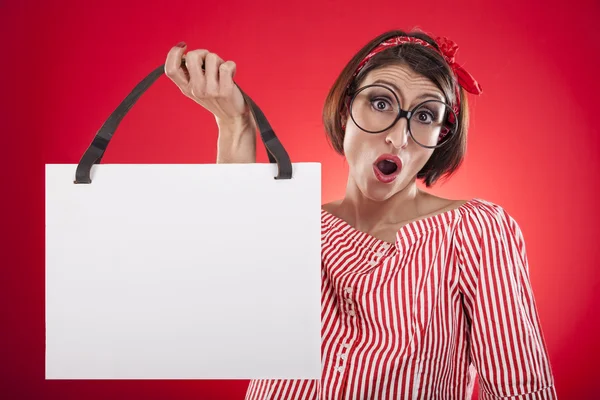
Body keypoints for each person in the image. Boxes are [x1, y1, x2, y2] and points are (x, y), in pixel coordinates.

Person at [165, 29, 557, 400]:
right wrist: (234, 122)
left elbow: (520, 389)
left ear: (439, 140)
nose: (398, 137)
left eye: (424, 116)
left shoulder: (474, 231)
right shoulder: (295, 228)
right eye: (381, 102)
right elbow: (225, 305)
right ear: (344, 109)